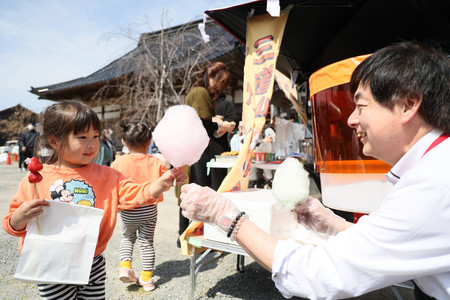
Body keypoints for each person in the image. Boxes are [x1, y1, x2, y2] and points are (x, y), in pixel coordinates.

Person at [180, 41, 450, 299]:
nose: (351, 119)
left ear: (408, 105)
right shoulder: (434, 167)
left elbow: (320, 273)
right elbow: (382, 242)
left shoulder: (433, 184)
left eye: (361, 106)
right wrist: (332, 223)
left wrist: (226, 216)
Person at [3, 100, 186, 299]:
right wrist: (19, 219)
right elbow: (11, 223)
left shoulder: (108, 175)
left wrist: (161, 183)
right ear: (54, 141)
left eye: (95, 136)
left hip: (93, 259)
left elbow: (135, 193)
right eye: (82, 137)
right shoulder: (37, 178)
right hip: (52, 261)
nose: (91, 144)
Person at [175, 62, 235, 246]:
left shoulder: (195, 92)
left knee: (189, 189)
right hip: (197, 151)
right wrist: (220, 125)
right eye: (220, 81)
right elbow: (201, 124)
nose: (219, 86)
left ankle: (184, 234)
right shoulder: (201, 93)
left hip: (190, 149)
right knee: (197, 189)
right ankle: (190, 234)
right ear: (211, 76)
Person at [111, 120, 167, 291]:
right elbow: (166, 181)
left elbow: (111, 184)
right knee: (146, 242)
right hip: (149, 208)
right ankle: (147, 280)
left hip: (128, 209)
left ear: (123, 142)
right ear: (149, 141)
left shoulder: (119, 162)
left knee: (127, 237)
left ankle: (125, 267)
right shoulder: (156, 162)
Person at [210, 93, 239, 191]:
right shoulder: (227, 104)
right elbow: (234, 119)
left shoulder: (208, 104)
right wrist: (224, 124)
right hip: (219, 145)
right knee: (218, 177)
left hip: (203, 145)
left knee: (203, 179)